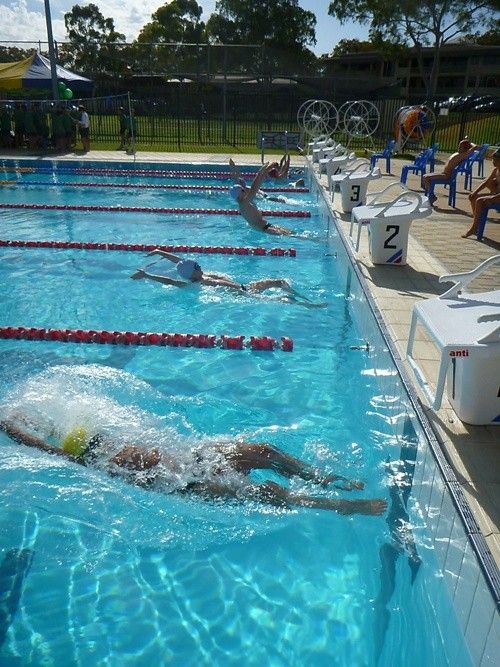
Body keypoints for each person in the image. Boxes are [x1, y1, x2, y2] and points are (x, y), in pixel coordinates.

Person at [0, 415, 387, 516]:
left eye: (98, 439)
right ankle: (341, 506)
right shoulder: (94, 466)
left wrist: (31, 421)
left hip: (194, 457)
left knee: (266, 451)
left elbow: (49, 431)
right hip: (188, 484)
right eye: (95, 445)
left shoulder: (102, 443)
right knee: (269, 494)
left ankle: (324, 478)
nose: (104, 445)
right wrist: (9, 426)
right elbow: (39, 445)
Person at [130, 249, 326, 307]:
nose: (200, 265)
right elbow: (170, 281)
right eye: (197, 266)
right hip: (247, 295)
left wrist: (160, 252)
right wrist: (146, 275)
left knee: (279, 281)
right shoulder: (193, 286)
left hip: (246, 287)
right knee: (283, 300)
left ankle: (303, 297)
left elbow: (179, 261)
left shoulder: (200, 274)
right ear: (192, 273)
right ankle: (309, 304)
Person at [229, 162, 299, 236]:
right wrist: (260, 172)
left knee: (293, 233)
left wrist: (265, 171)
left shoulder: (245, 201)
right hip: (264, 228)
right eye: (242, 190)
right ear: (239, 194)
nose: (245, 191)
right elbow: (254, 188)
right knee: (295, 236)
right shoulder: (243, 203)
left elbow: (257, 186)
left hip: (266, 225)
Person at [422, 138, 477, 203]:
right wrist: (467, 143)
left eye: (461, 147)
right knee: (425, 176)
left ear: (465, 148)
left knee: (426, 178)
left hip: (446, 175)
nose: (458, 148)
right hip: (443, 173)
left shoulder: (464, 154)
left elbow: (475, 146)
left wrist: (469, 143)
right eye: (459, 146)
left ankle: (432, 196)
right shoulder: (459, 153)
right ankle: (431, 195)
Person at [462, 148, 500, 238]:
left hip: (498, 196)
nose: (493, 161)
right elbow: (486, 182)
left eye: (495, 160)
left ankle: (474, 228)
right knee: (473, 198)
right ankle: (477, 223)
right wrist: (475, 192)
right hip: (496, 195)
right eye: (493, 159)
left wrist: (493, 198)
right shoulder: (496, 170)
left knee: (479, 201)